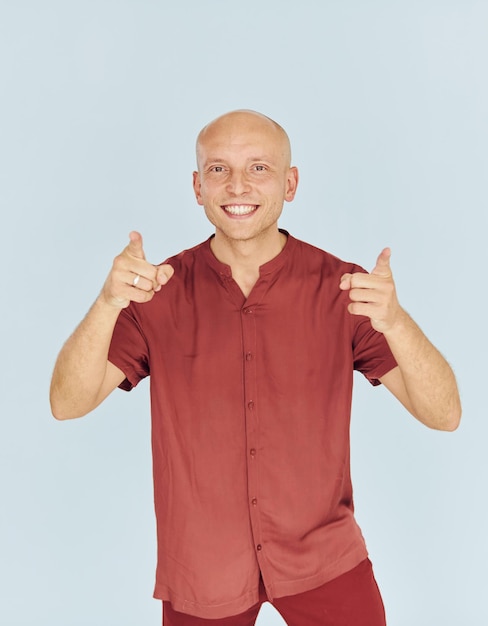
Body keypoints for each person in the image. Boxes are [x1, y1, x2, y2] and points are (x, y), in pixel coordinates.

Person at [50, 110, 461, 626]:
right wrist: (108, 303)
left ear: (290, 183)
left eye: (259, 168)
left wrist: (397, 323)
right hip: (202, 568)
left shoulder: (345, 290)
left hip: (324, 559)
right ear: (197, 187)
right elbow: (66, 405)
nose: (237, 185)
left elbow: (445, 415)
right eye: (219, 170)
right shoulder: (156, 292)